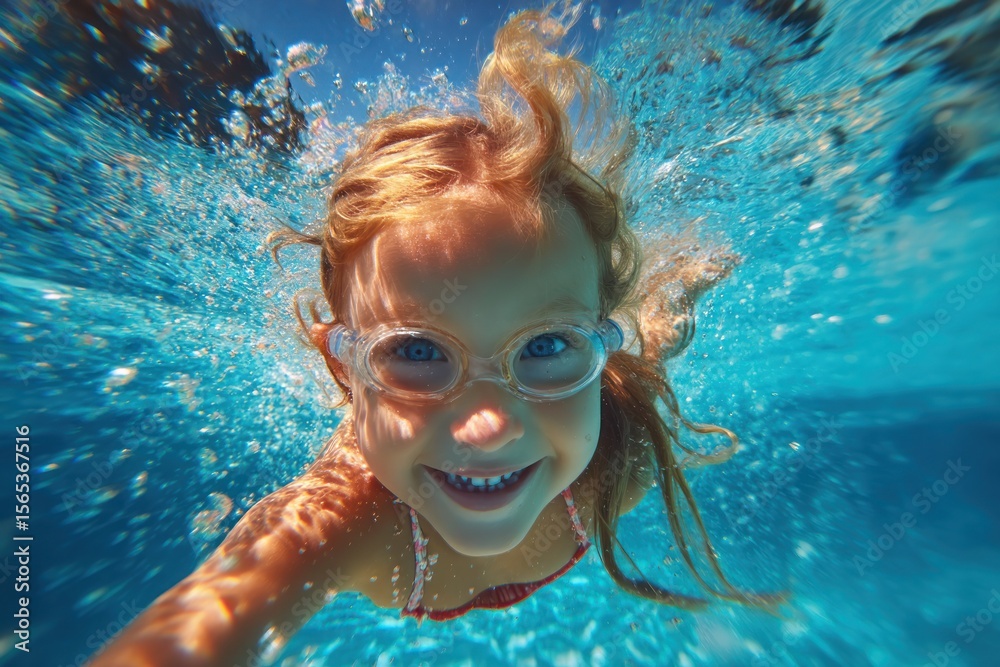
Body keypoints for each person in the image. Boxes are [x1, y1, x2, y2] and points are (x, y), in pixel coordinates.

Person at [90, 9, 781, 666]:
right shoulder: (346, 517)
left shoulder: (617, 460)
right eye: (415, 351)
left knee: (657, 345)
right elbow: (205, 622)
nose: (488, 428)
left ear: (594, 347)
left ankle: (667, 302)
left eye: (547, 345)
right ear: (345, 369)